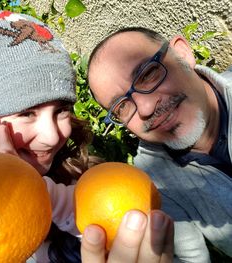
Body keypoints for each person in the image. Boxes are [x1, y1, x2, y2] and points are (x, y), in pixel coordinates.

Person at [0, 0, 174, 262]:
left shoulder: (82, 181)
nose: (51, 136)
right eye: (26, 113)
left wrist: (36, 190)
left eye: (61, 110)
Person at [87, 26, 232, 262]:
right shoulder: (151, 182)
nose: (145, 108)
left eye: (147, 74)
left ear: (183, 53)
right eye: (122, 106)